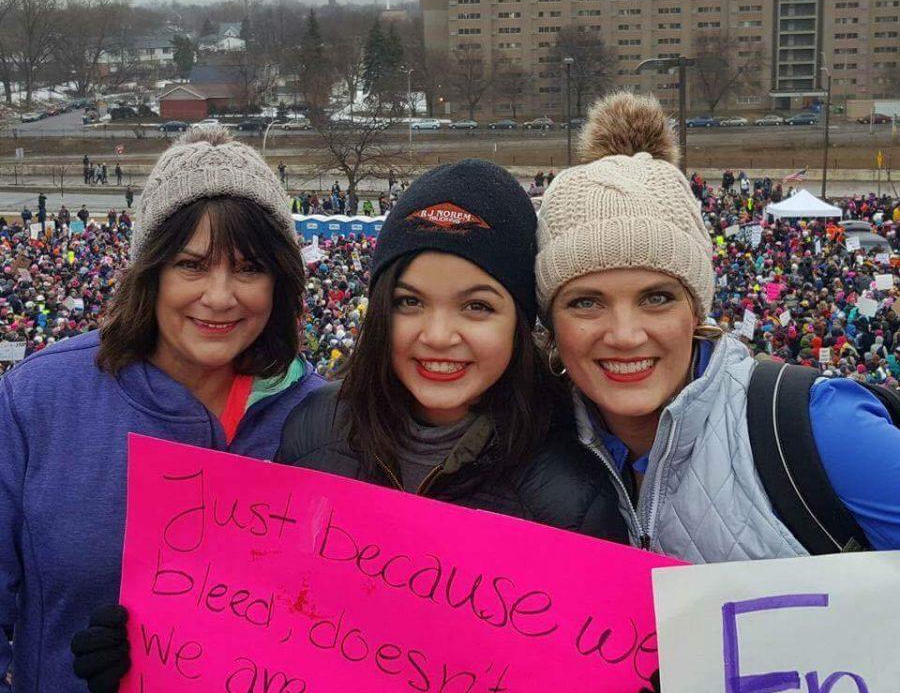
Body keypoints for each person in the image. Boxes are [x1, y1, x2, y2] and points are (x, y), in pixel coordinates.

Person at [0, 126, 323, 693]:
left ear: (281, 281)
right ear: (149, 273)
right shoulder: (40, 399)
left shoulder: (325, 419)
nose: (220, 296)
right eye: (191, 265)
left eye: (248, 268)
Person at [534, 92, 900, 564]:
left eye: (657, 298)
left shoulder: (813, 426)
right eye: (586, 303)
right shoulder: (522, 439)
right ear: (551, 322)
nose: (625, 334)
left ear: (696, 308)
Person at [277, 159, 626, 540]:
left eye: (477, 307)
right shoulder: (310, 431)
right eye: (410, 302)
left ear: (521, 326)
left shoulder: (574, 500)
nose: (439, 336)